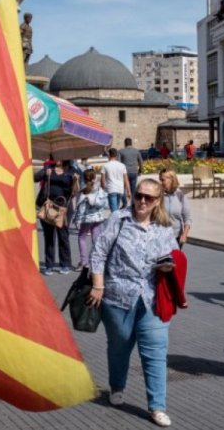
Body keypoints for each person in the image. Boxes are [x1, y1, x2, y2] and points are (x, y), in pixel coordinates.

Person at [89, 178, 178, 427]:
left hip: (152, 299)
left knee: (156, 353)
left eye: (148, 198)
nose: (141, 201)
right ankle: (117, 386)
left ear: (157, 201)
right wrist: (98, 285)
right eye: (139, 195)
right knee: (119, 348)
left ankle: (157, 406)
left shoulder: (164, 227)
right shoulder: (118, 218)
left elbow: (174, 256)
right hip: (117, 296)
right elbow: (99, 252)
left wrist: (169, 265)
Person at [34, 160, 78, 276]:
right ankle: (49, 265)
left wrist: (75, 180)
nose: (59, 159)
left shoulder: (71, 170)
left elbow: (74, 192)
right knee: (49, 237)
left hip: (64, 208)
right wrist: (45, 173)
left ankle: (65, 264)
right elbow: (35, 178)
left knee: (63, 236)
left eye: (61, 156)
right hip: (49, 207)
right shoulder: (49, 168)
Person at [71, 169, 108, 271]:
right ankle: (97, 260)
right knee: (96, 238)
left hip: (87, 219)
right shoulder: (99, 189)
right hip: (98, 218)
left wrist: (77, 220)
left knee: (82, 238)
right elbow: (104, 203)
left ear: (84, 178)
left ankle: (84, 262)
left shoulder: (83, 191)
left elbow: (80, 207)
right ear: (94, 178)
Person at [159, 168, 192, 248]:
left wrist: (184, 235)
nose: (161, 183)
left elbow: (187, 219)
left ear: (171, 180)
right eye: (160, 180)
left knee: (174, 260)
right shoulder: (158, 196)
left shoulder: (180, 196)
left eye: (163, 180)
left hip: (176, 237)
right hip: (160, 237)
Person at [101, 148, 131, 212]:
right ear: (116, 155)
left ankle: (116, 221)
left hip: (111, 188)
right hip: (120, 188)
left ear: (109, 155)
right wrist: (129, 191)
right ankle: (117, 220)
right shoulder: (122, 165)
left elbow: (102, 181)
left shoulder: (105, 166)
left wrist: (103, 189)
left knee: (114, 211)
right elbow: (126, 180)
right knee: (116, 209)